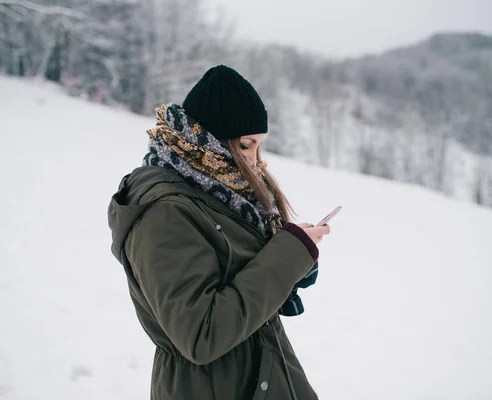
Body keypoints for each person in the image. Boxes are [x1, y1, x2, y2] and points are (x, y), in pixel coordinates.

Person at [108, 65, 330, 400]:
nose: (256, 161)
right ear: (211, 143)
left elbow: (236, 279)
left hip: (258, 376)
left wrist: (295, 263)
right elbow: (202, 334)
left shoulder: (221, 194)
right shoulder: (166, 213)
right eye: (246, 145)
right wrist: (286, 255)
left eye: (259, 146)